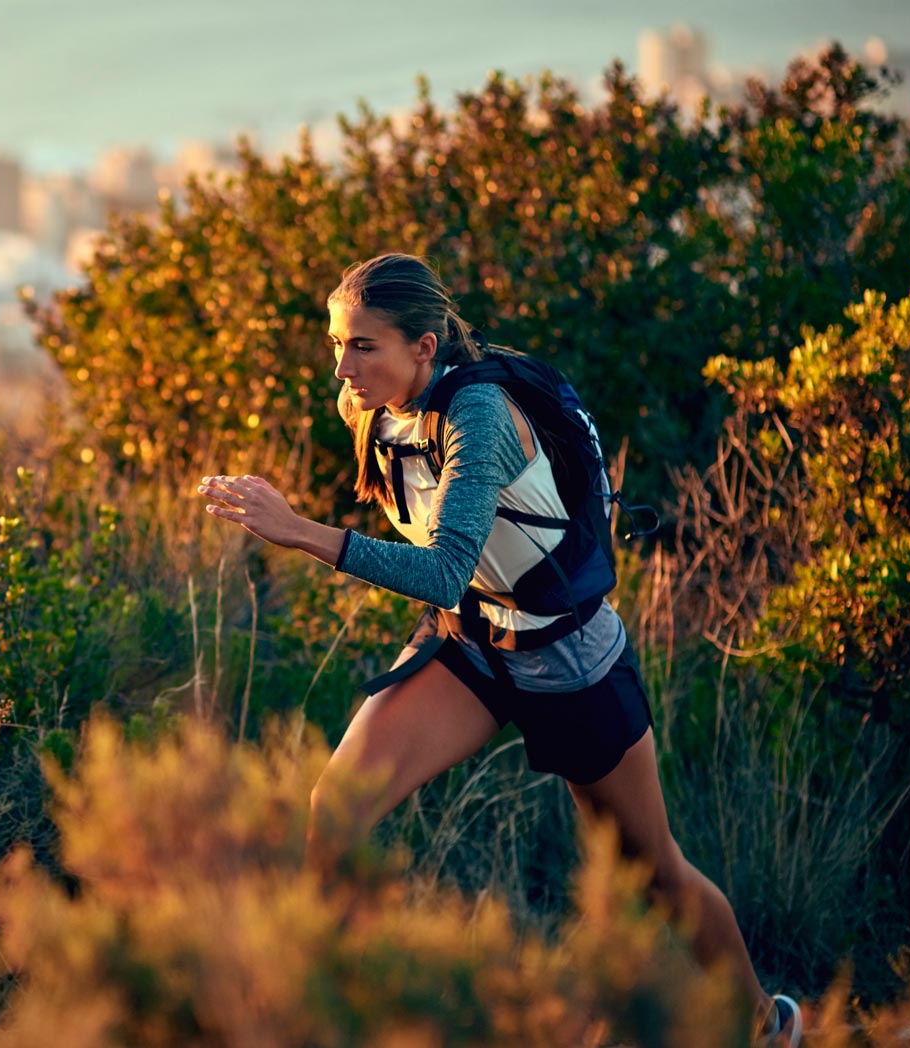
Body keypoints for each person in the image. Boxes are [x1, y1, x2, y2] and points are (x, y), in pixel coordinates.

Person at [195, 252, 801, 1045]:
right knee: (333, 811)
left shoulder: (480, 415)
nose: (342, 367)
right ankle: (335, 1018)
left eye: (362, 346)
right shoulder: (371, 407)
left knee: (653, 873)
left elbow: (445, 571)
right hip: (474, 643)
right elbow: (460, 588)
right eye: (336, 343)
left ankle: (768, 1025)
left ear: (423, 346)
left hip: (568, 661)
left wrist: (299, 531)